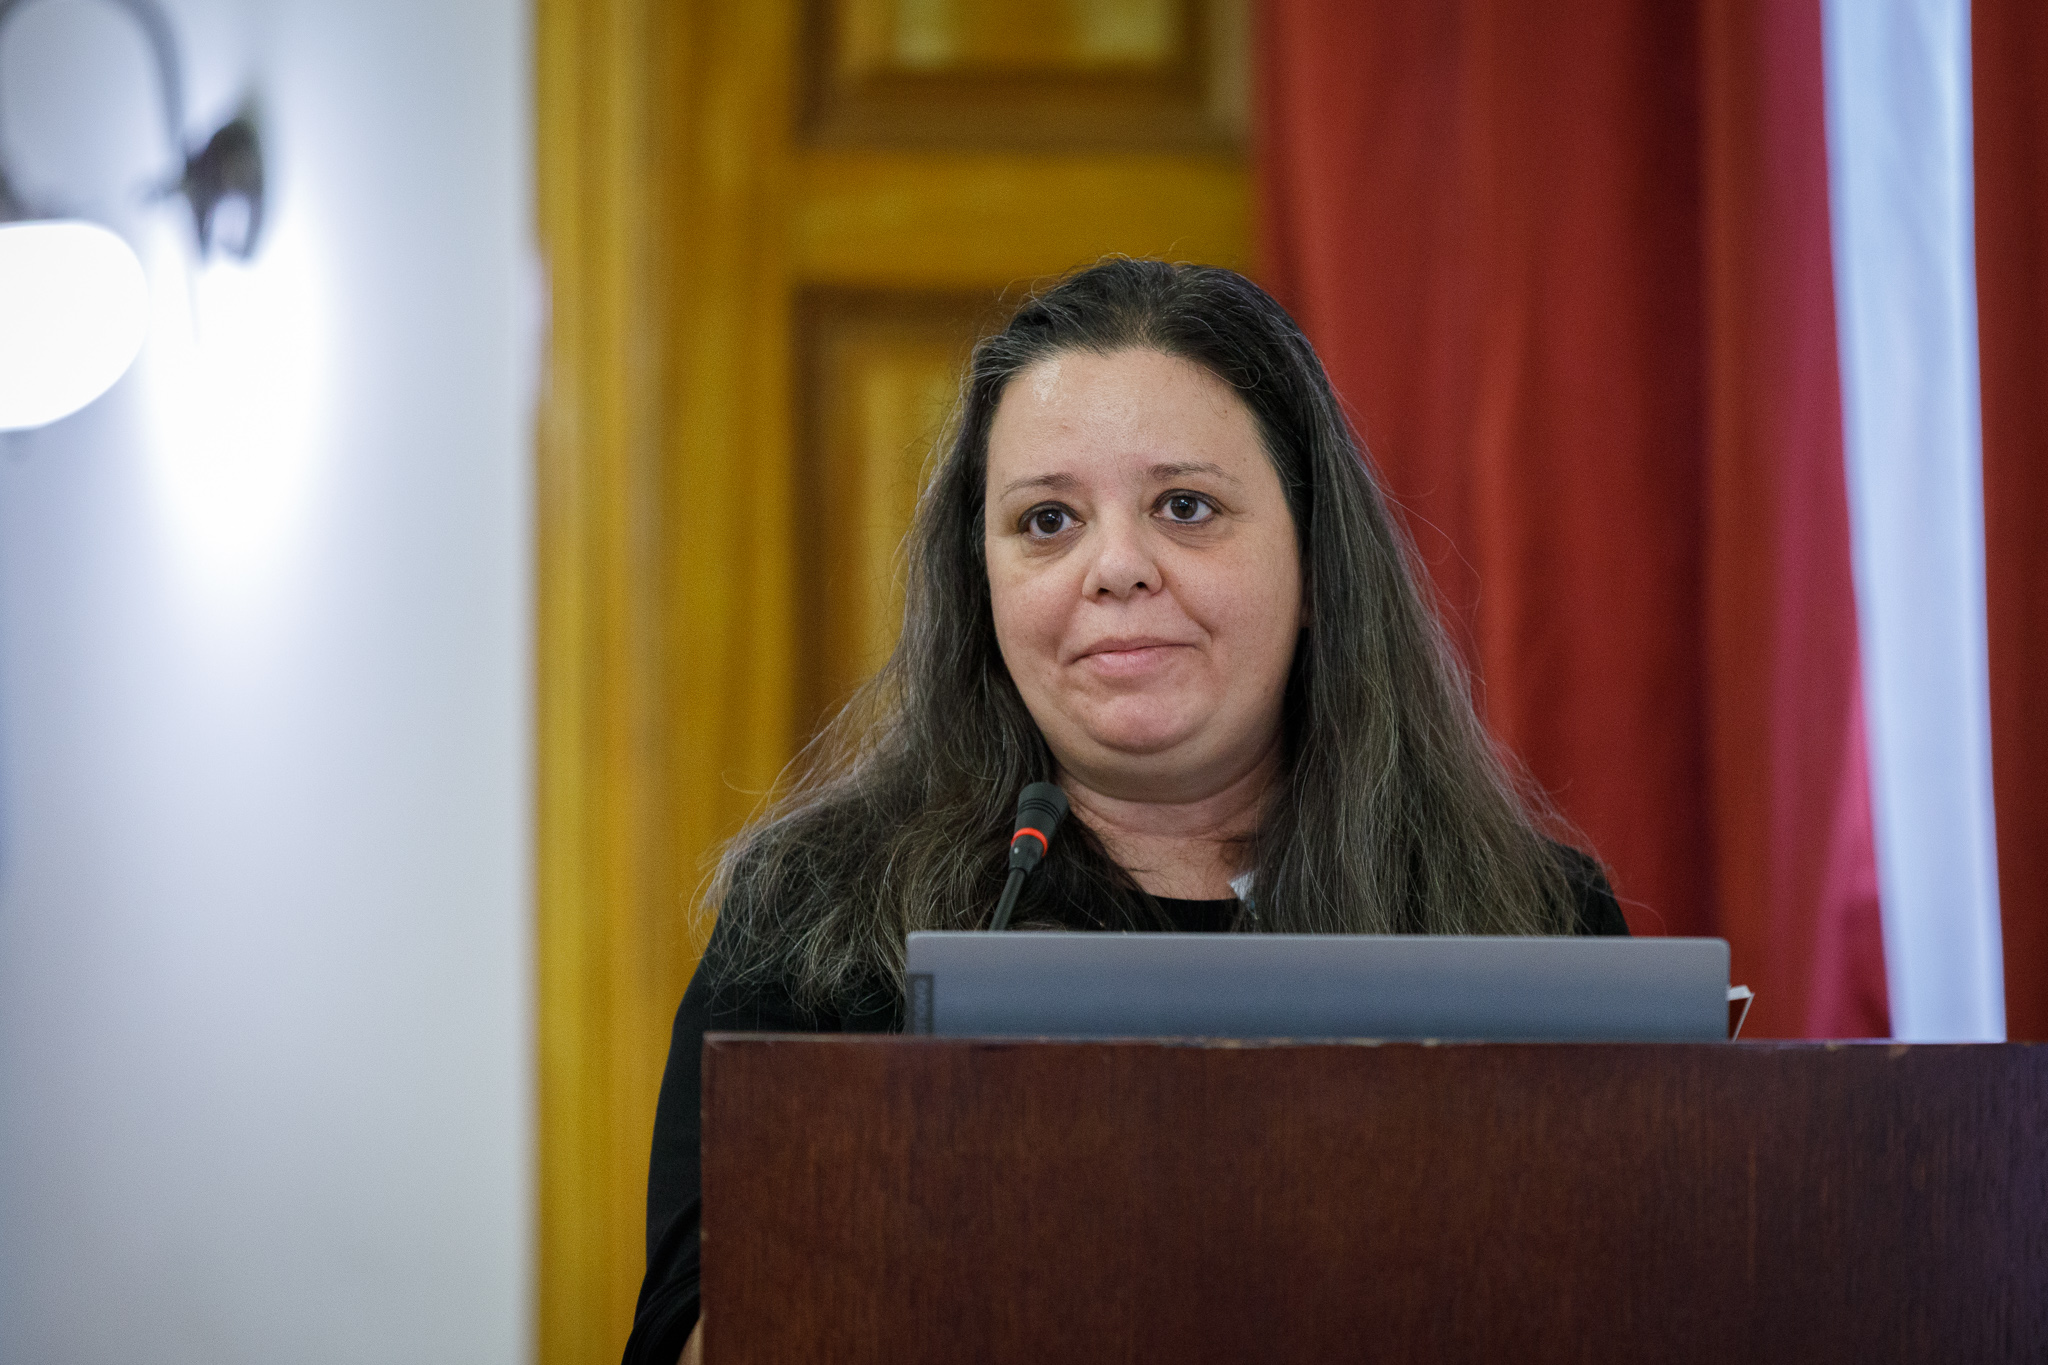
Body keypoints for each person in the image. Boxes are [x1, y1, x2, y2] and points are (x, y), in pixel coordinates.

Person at [621, 258, 1627, 1365]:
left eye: (1184, 507)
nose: (1114, 567)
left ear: (1314, 559)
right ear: (982, 583)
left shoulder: (1531, 920)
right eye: (1047, 519)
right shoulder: (816, 922)